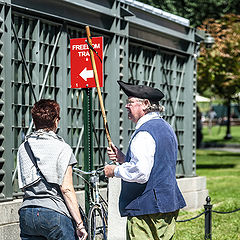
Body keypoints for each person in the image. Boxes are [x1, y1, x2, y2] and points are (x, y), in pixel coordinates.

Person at [104, 81, 186, 240]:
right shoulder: (165, 127)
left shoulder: (144, 133)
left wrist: (114, 170)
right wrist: (124, 159)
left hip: (146, 209)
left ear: (146, 104)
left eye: (130, 102)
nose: (126, 106)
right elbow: (158, 162)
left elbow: (141, 173)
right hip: (166, 204)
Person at [17, 99, 87, 240]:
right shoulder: (63, 148)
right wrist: (80, 224)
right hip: (55, 214)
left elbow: (24, 185)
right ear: (56, 121)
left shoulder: (23, 148)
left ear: (34, 121)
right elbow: (66, 189)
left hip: (27, 214)